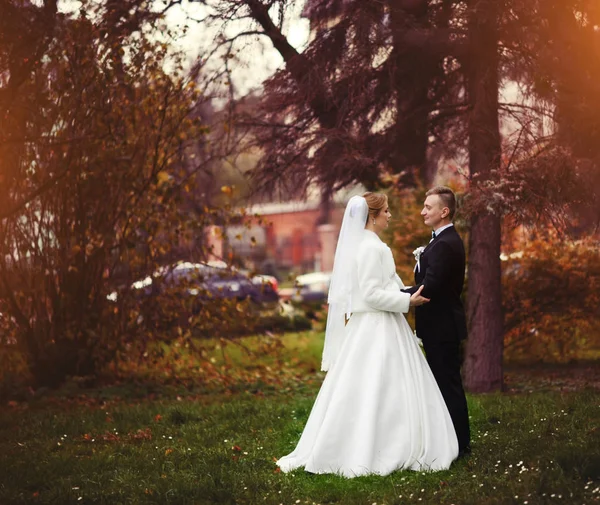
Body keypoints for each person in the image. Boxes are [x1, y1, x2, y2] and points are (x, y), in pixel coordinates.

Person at [276, 192, 459, 478]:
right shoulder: (371, 248)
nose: (389, 215)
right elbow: (372, 294)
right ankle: (379, 445)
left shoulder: (365, 245)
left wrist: (403, 294)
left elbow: (382, 286)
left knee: (371, 385)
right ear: (372, 216)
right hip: (377, 325)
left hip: (374, 325)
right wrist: (406, 302)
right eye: (386, 211)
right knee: (378, 384)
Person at [402, 186, 471, 456]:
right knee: (444, 383)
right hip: (439, 326)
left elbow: (428, 288)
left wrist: (390, 296)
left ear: (444, 211)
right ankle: (454, 441)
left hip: (442, 327)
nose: (422, 211)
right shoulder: (439, 241)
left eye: (428, 207)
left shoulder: (445, 244)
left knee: (447, 385)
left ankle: (460, 444)